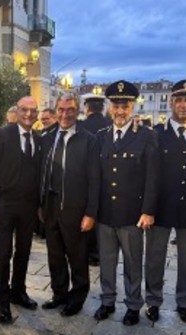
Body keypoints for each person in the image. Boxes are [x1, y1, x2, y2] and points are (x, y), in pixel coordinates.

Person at [146, 80, 186, 324]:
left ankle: (185, 303)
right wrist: (148, 209)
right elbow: (150, 174)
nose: (184, 105)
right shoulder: (156, 133)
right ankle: (153, 301)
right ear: (171, 102)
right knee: (154, 259)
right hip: (161, 208)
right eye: (179, 100)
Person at [94, 81, 159, 325]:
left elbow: (153, 176)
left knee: (133, 264)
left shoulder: (146, 136)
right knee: (107, 262)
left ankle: (133, 305)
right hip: (106, 214)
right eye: (116, 105)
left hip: (133, 215)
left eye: (125, 105)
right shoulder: (100, 137)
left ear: (132, 107)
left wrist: (148, 210)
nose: (120, 111)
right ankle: (107, 301)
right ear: (110, 107)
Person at [39, 92, 99, 317]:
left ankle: (78, 297)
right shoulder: (47, 136)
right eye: (61, 110)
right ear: (56, 111)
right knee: (54, 254)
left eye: (70, 110)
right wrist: (40, 203)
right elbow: (40, 173)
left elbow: (95, 179)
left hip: (76, 207)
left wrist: (91, 213)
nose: (65, 114)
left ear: (78, 110)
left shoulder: (89, 139)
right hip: (51, 205)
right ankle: (59, 293)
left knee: (77, 255)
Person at [0, 96, 42, 324]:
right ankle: (4, 301)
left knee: (24, 252)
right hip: (5, 206)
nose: (29, 114)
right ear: (17, 111)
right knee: (3, 254)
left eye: (33, 111)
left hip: (28, 207)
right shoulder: (3, 134)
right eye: (24, 110)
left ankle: (19, 291)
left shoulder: (39, 139)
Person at [79, 93, 111, 267]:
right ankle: (101, 252)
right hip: (107, 180)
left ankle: (89, 252)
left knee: (88, 215)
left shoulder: (82, 126)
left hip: (85, 180)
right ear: (103, 108)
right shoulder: (111, 125)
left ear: (87, 108)